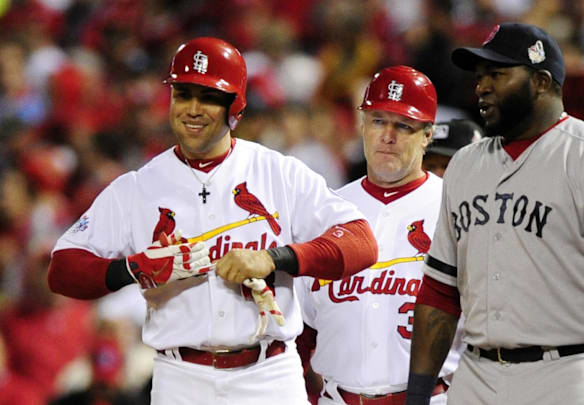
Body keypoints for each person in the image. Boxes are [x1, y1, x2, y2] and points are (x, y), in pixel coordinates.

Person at [47, 37, 378, 405]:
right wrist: (134, 268)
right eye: (182, 94)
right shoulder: (138, 187)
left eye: (207, 97)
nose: (192, 109)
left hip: (268, 375)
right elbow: (62, 269)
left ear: (234, 106)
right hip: (180, 378)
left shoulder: (278, 172)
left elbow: (361, 242)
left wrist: (275, 258)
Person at [404, 22, 584, 405]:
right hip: (476, 374)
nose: (482, 87)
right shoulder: (464, 165)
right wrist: (417, 397)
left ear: (541, 82)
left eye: (497, 74)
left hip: (566, 372)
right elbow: (440, 292)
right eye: (479, 76)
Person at [295, 66, 462, 405]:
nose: (388, 136)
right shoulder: (327, 210)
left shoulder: (456, 209)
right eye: (377, 121)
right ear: (362, 126)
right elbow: (302, 327)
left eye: (403, 125)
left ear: (427, 135)